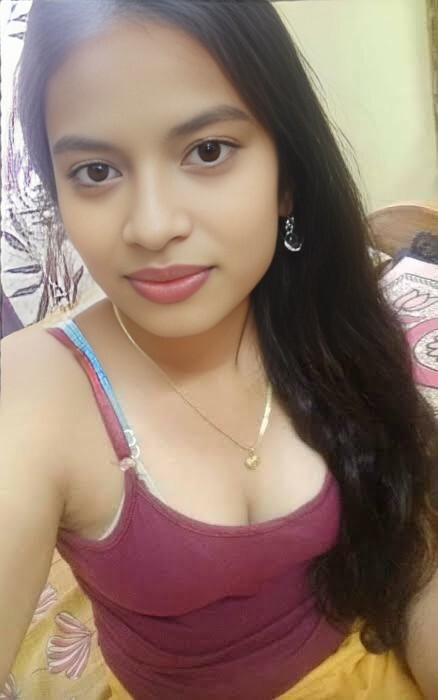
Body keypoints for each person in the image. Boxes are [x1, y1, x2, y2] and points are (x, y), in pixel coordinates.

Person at [1, 1, 437, 698]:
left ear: (287, 177)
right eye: (95, 170)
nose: (151, 227)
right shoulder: (33, 393)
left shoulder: (332, 319)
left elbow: (410, 553)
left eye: (207, 151)